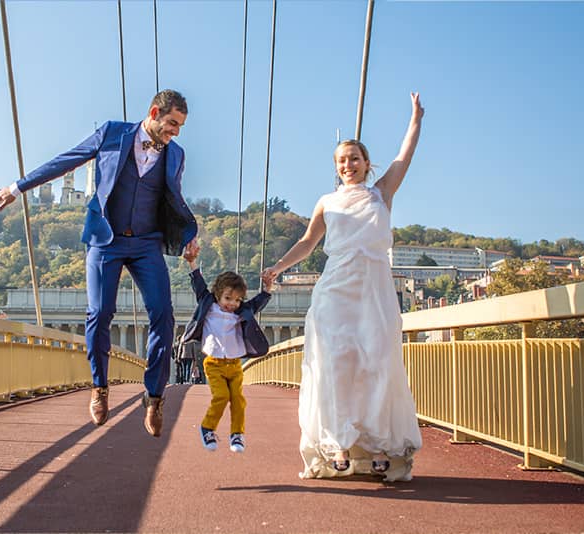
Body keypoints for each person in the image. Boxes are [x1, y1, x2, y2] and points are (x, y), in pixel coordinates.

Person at [0, 89, 198, 438]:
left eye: (180, 127)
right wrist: (17, 187)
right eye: (172, 124)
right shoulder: (112, 133)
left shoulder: (176, 154)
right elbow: (67, 160)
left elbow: (173, 198)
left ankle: (155, 395)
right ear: (154, 112)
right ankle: (100, 387)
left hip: (147, 243)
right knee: (100, 312)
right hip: (107, 240)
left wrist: (188, 233)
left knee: (164, 314)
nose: (175, 132)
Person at [262, 93, 425, 481]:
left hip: (374, 290)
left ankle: (378, 446)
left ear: (367, 164)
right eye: (341, 161)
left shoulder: (381, 193)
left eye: (354, 158)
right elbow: (308, 242)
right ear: (336, 168)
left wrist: (415, 118)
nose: (348, 165)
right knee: (335, 366)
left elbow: (405, 155)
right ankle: (337, 443)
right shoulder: (327, 202)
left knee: (378, 363)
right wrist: (279, 268)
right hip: (335, 290)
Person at [181, 244, 273, 453]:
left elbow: (258, 302)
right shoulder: (208, 303)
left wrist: (267, 287)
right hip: (213, 363)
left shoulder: (242, 311)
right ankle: (207, 427)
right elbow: (198, 283)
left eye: (237, 299)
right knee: (221, 396)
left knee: (239, 401)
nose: (232, 303)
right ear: (217, 294)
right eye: (228, 298)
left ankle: (237, 435)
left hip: (234, 364)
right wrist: (191, 261)